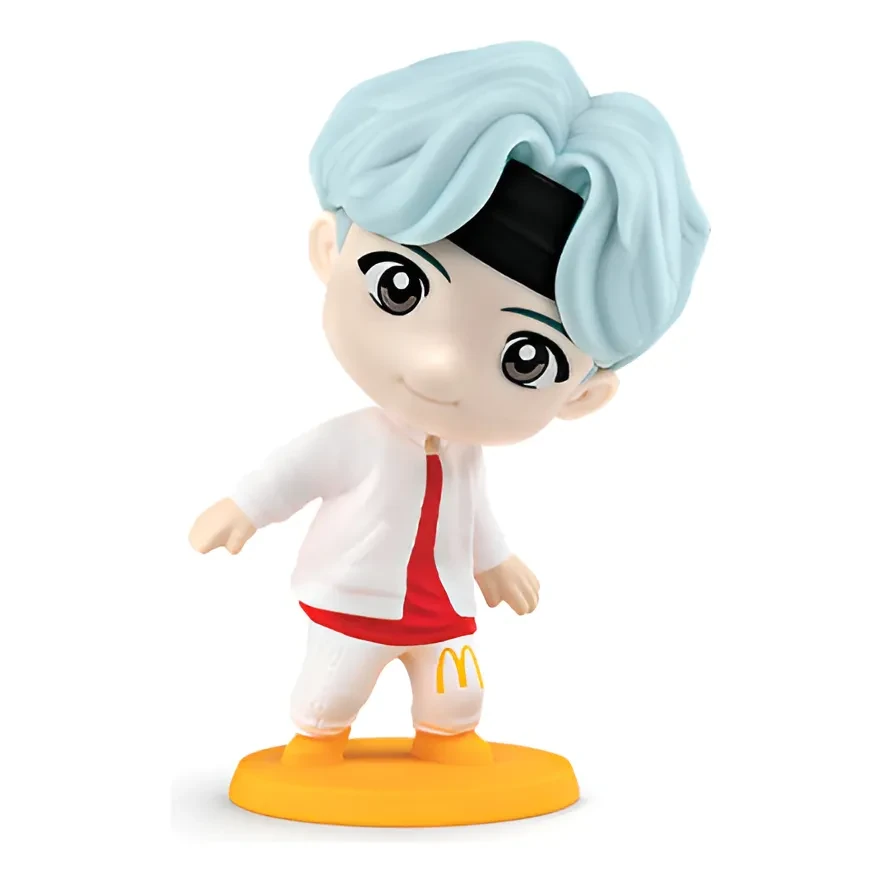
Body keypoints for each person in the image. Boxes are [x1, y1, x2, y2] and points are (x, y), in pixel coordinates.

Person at [189, 40, 709, 768]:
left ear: (583, 396)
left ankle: (448, 739)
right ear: (329, 253)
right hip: (356, 598)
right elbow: (295, 470)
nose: (441, 366)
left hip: (442, 606)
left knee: (457, 691)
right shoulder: (355, 438)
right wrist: (244, 506)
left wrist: (494, 561)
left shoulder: (463, 455)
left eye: (526, 358)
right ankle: (317, 744)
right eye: (398, 285)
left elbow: (471, 512)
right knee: (334, 685)